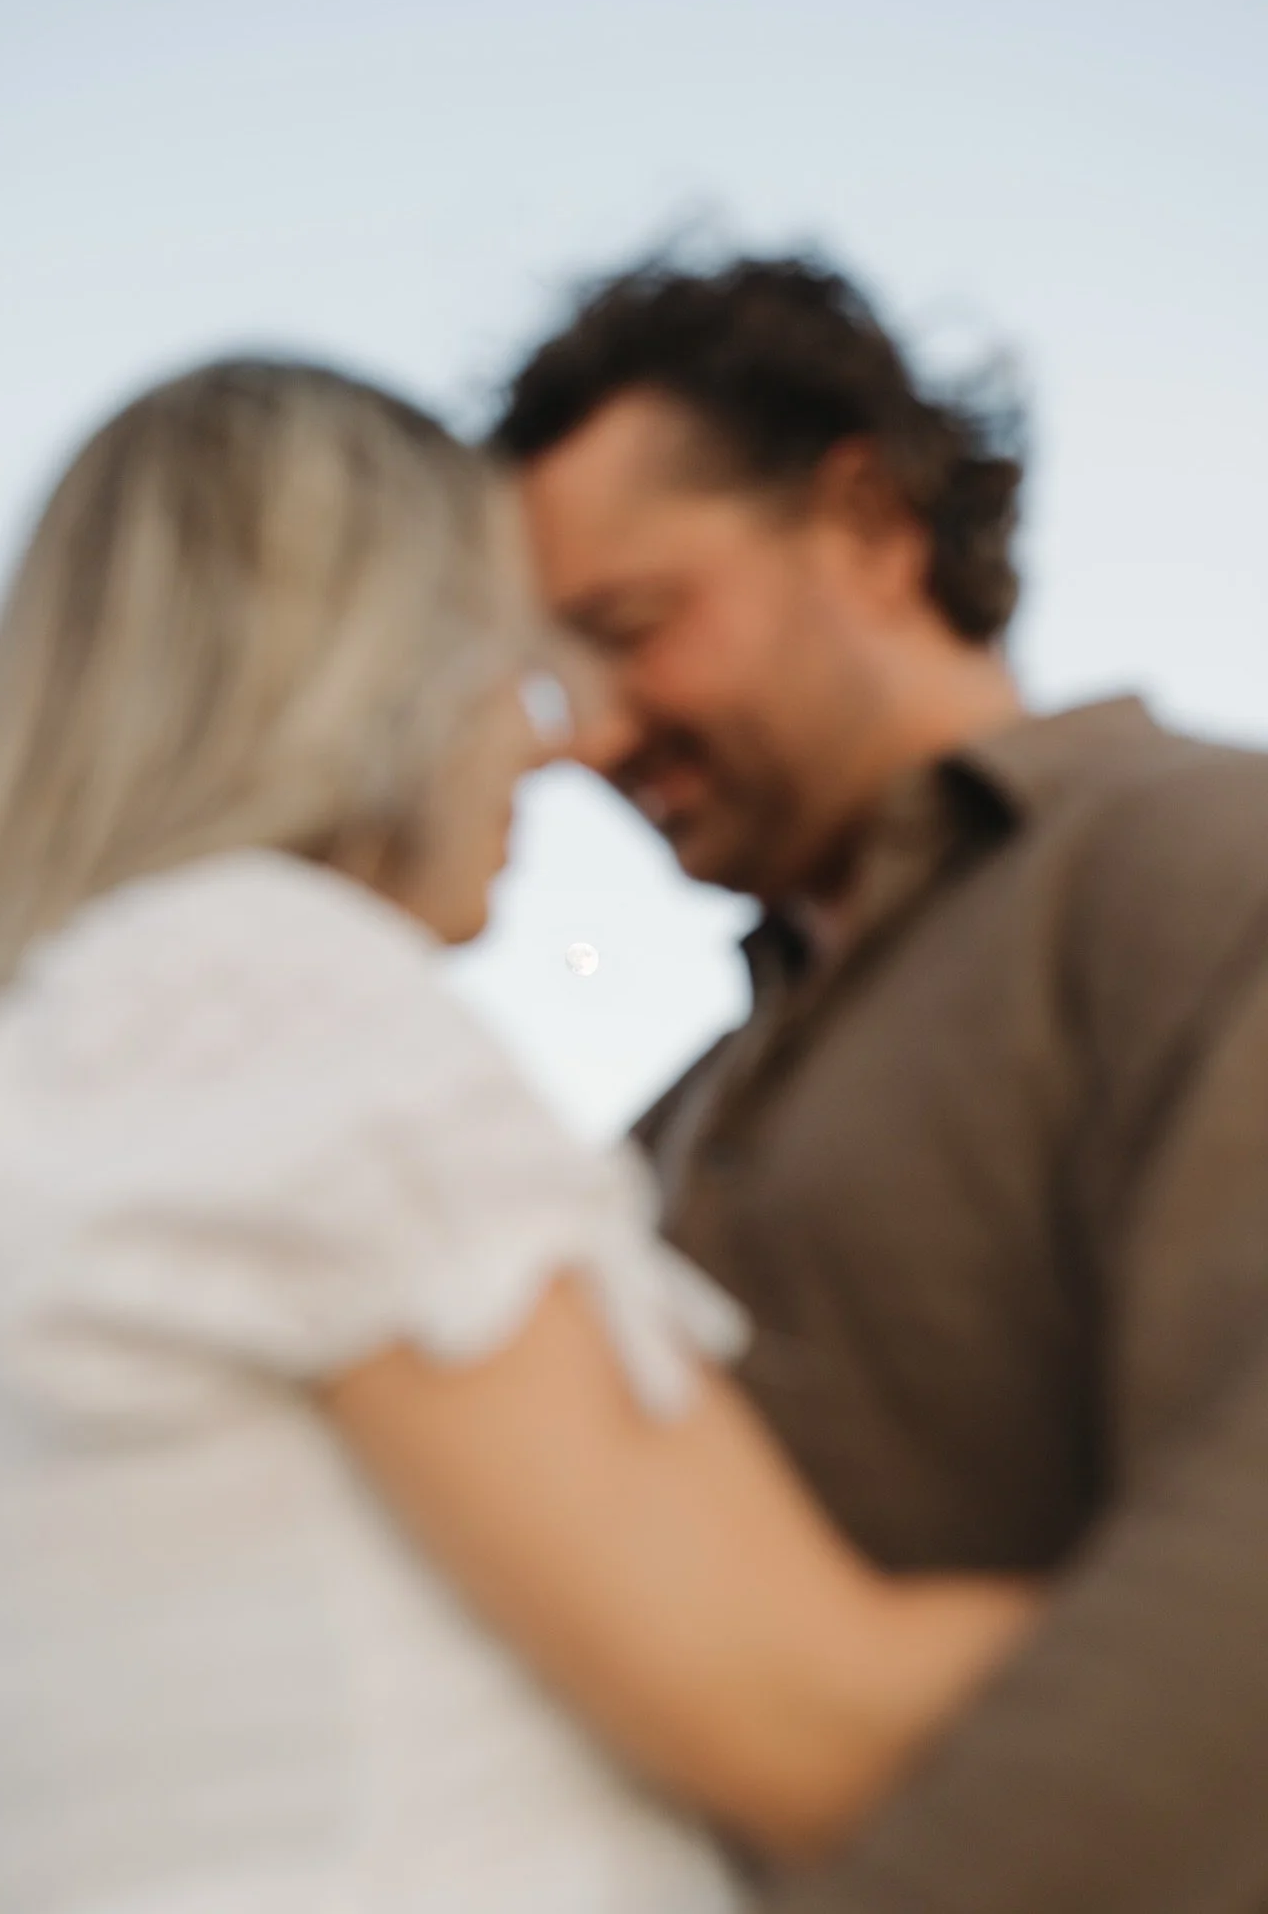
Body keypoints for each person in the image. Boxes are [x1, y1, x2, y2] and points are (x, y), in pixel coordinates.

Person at [0, 360, 1033, 1914]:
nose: (560, 741)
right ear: (364, 677)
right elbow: (803, 1715)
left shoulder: (89, 1037)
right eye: (512, 664)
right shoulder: (265, 1005)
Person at [495, 252, 1268, 1914]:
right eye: (560, 675)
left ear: (866, 520)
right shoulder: (668, 1119)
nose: (591, 736)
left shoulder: (1200, 865)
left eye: (635, 630)